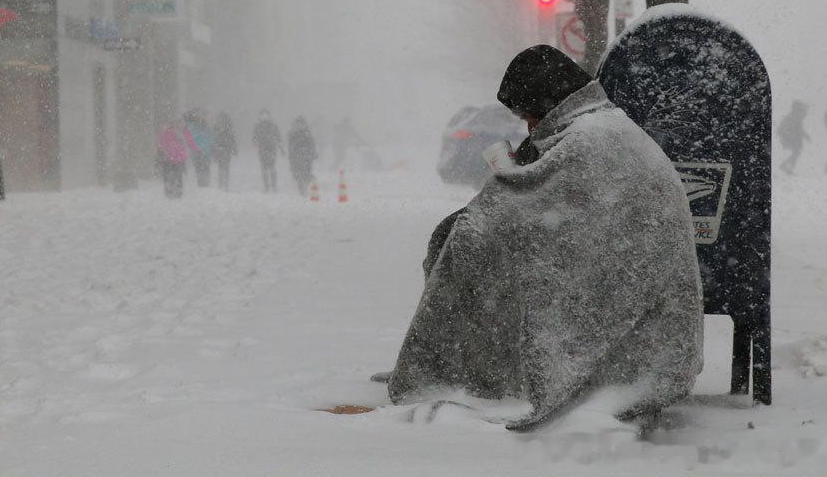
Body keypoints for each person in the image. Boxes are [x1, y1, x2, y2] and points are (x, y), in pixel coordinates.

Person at [387, 45, 703, 430]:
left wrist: (502, 194)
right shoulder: (601, 126)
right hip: (640, 292)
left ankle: (470, 373)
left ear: (548, 103)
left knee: (471, 243)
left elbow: (536, 216)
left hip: (637, 316)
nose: (529, 127)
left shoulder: (590, 140)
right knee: (465, 237)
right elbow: (560, 210)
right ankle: (475, 369)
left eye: (529, 116)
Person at [252, 109, 284, 192]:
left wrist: (281, 148)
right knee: (265, 168)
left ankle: (273, 186)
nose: (264, 117)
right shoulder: (259, 126)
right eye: (263, 115)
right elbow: (255, 138)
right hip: (264, 149)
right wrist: (255, 142)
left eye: (265, 115)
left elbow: (278, 137)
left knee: (270, 167)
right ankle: (267, 186)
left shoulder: (271, 126)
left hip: (271, 148)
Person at [156, 120, 189, 198]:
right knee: (177, 175)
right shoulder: (179, 134)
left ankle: (169, 190)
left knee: (168, 175)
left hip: (168, 159)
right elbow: (183, 147)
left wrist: (164, 153)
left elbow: (161, 146)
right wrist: (183, 157)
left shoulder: (164, 134)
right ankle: (177, 190)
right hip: (176, 159)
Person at [777, 100, 810, 175]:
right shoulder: (794, 116)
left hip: (793, 138)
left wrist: (805, 136)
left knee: (796, 153)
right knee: (796, 153)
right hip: (793, 138)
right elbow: (799, 128)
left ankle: (787, 167)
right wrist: (806, 136)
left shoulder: (793, 116)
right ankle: (786, 167)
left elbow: (799, 128)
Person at [287, 116, 318, 195]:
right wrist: (291, 155)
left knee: (306, 172)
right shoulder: (293, 134)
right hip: (297, 156)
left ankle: (305, 186)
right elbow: (290, 146)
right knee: (299, 172)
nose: (300, 125)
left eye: (302, 124)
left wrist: (313, 152)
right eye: (299, 124)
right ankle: (302, 189)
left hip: (307, 156)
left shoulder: (307, 133)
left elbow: (312, 144)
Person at [184, 109, 213, 187]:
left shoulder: (206, 126)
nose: (199, 117)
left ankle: (206, 184)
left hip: (205, 151)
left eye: (200, 116)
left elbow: (211, 137)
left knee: (205, 168)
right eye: (197, 116)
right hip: (197, 152)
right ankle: (201, 184)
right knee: (199, 168)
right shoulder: (191, 126)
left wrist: (210, 145)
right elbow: (189, 139)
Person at [212, 112, 238, 191]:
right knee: (223, 167)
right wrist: (234, 149)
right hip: (222, 149)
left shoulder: (225, 128)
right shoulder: (219, 128)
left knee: (224, 167)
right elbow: (214, 139)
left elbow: (232, 139)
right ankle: (223, 184)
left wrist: (234, 149)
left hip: (225, 149)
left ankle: (224, 184)